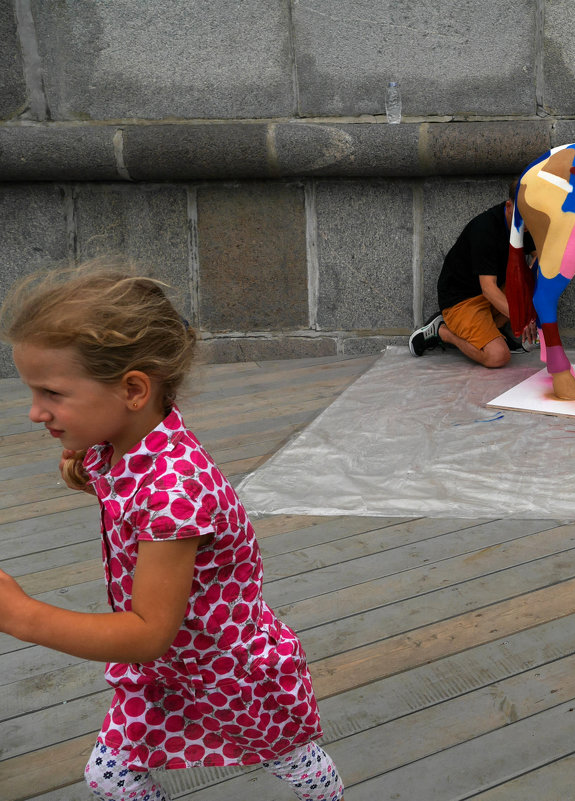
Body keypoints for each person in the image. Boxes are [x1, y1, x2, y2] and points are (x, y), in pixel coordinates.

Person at [0, 263, 343, 801]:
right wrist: (88, 469)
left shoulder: (173, 492)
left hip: (225, 668)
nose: (34, 412)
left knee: (291, 757)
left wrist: (21, 616)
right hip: (167, 668)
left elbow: (146, 632)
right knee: (111, 775)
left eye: (51, 393)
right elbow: (126, 485)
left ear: (134, 388)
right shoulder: (125, 443)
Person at [408, 186, 536, 367]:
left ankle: (493, 331)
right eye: (524, 219)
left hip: (490, 294)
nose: (527, 226)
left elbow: (541, 256)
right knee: (498, 356)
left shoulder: (524, 224)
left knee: (530, 281)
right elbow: (488, 288)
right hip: (462, 300)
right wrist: (523, 318)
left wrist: (532, 272)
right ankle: (443, 331)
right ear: (509, 206)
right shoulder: (485, 229)